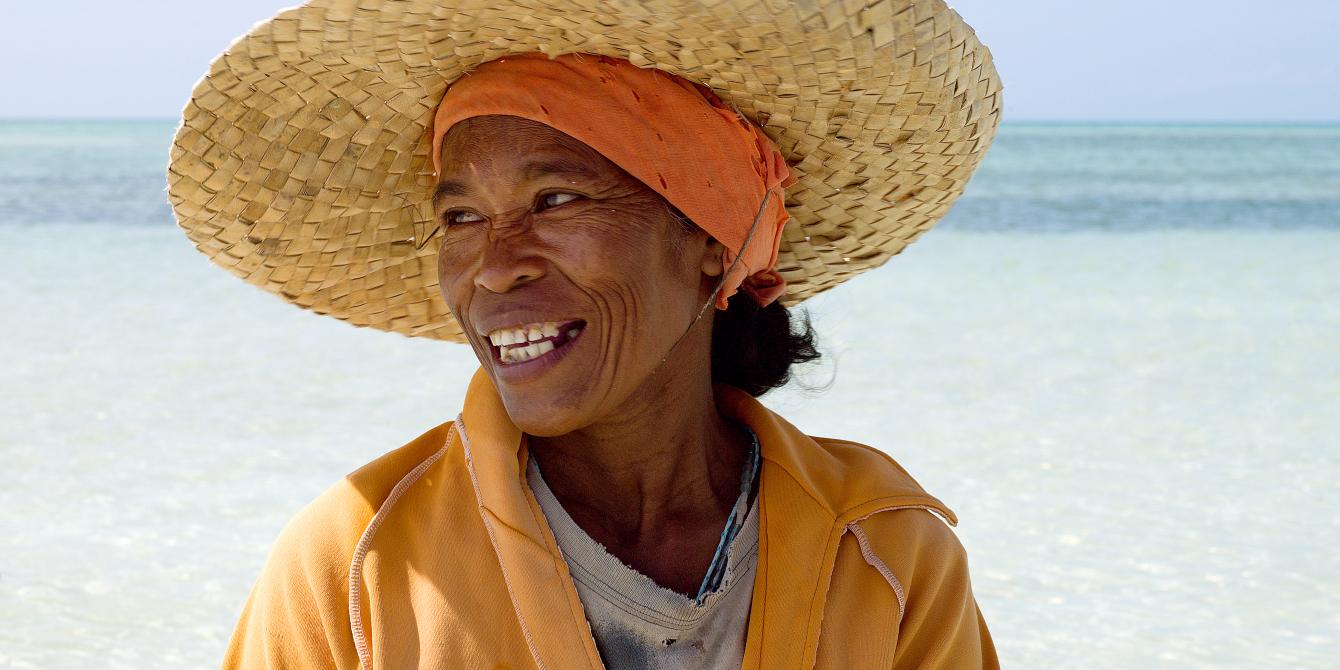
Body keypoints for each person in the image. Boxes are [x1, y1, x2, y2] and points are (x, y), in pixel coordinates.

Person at [166, 1, 1003, 667]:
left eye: (556, 200)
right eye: (460, 216)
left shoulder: (885, 549)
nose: (494, 266)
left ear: (712, 240)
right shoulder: (356, 567)